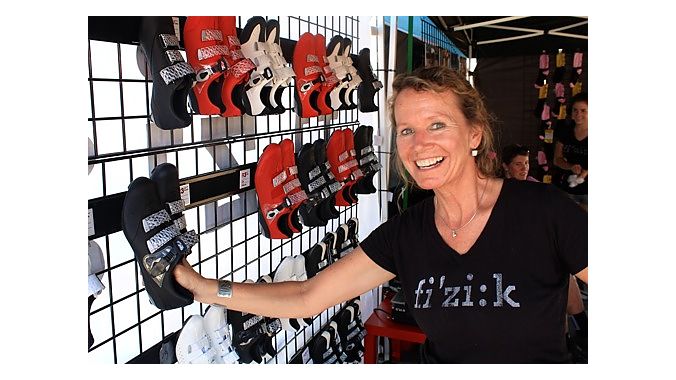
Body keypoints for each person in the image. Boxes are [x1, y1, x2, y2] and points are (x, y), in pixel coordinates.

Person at [173, 66, 588, 363]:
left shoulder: (545, 212)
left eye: (437, 125)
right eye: (407, 130)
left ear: (474, 134)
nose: (419, 145)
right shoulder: (405, 235)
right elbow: (306, 298)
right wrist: (207, 290)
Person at [501, 143, 587, 360]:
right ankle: (578, 330)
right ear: (505, 167)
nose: (524, 169)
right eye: (518, 164)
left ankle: (576, 331)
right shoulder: (498, 192)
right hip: (510, 256)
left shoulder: (537, 189)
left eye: (527, 164)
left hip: (537, 251)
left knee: (562, 273)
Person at [553, 92, 588, 210]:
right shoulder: (565, 132)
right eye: (575, 110)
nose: (579, 114)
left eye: (583, 110)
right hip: (567, 190)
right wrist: (570, 166)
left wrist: (585, 172)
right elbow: (557, 159)